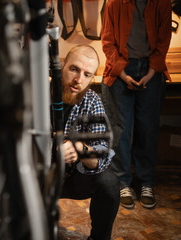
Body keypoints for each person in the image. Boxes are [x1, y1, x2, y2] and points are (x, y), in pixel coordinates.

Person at [100, 0, 172, 209]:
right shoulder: (114, 3)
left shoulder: (162, 4)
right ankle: (122, 182)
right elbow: (107, 42)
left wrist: (150, 74)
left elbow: (163, 42)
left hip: (151, 68)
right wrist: (123, 74)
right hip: (121, 69)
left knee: (148, 129)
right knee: (121, 130)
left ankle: (146, 182)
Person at [59, 45, 120, 240]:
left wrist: (78, 148)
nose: (78, 80)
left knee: (109, 183)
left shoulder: (92, 100)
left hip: (72, 178)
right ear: (62, 65)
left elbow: (99, 157)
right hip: (38, 177)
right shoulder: (40, 94)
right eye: (74, 69)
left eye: (87, 74)